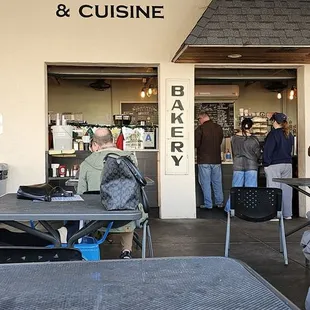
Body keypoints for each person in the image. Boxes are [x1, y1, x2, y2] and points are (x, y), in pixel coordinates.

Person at [77, 127, 138, 258]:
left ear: (94, 145)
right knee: (127, 203)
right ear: (113, 140)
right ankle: (126, 251)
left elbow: (80, 193)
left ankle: (94, 244)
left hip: (97, 219)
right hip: (124, 218)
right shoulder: (130, 159)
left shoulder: (86, 163)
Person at [225, 118, 261, 212]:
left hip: (238, 165)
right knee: (251, 190)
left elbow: (233, 151)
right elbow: (258, 154)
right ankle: (250, 210)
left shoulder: (233, 138)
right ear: (251, 127)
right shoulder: (254, 139)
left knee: (235, 189)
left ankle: (229, 209)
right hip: (252, 166)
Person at [263, 112, 294, 220]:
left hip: (275, 164)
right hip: (288, 164)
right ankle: (287, 214)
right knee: (286, 190)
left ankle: (275, 214)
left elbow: (268, 150)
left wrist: (266, 164)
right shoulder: (289, 134)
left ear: (274, 122)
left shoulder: (273, 134)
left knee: (273, 189)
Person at [195, 112, 224, 209]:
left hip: (204, 160)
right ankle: (219, 203)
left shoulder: (200, 129)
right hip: (216, 159)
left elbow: (196, 144)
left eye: (199, 119)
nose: (199, 122)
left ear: (202, 118)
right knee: (217, 182)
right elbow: (220, 141)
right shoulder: (218, 128)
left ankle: (208, 204)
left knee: (205, 182)